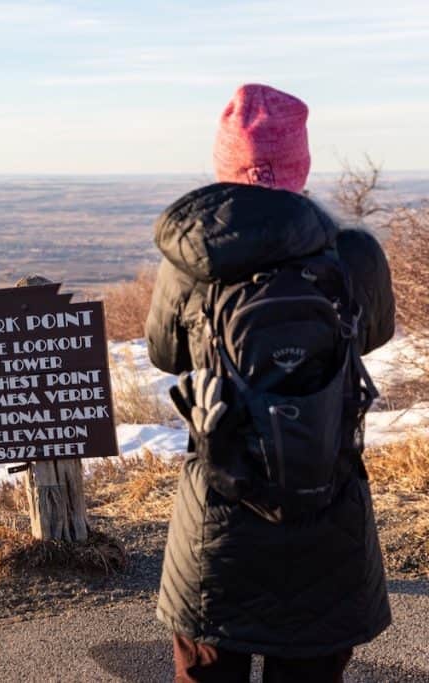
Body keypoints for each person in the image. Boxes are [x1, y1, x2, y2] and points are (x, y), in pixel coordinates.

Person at [146, 84, 396, 682]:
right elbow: (376, 335)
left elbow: (164, 354)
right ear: (301, 164)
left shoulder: (193, 259)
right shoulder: (352, 251)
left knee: (208, 670)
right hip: (326, 499)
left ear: (224, 164)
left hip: (220, 509)